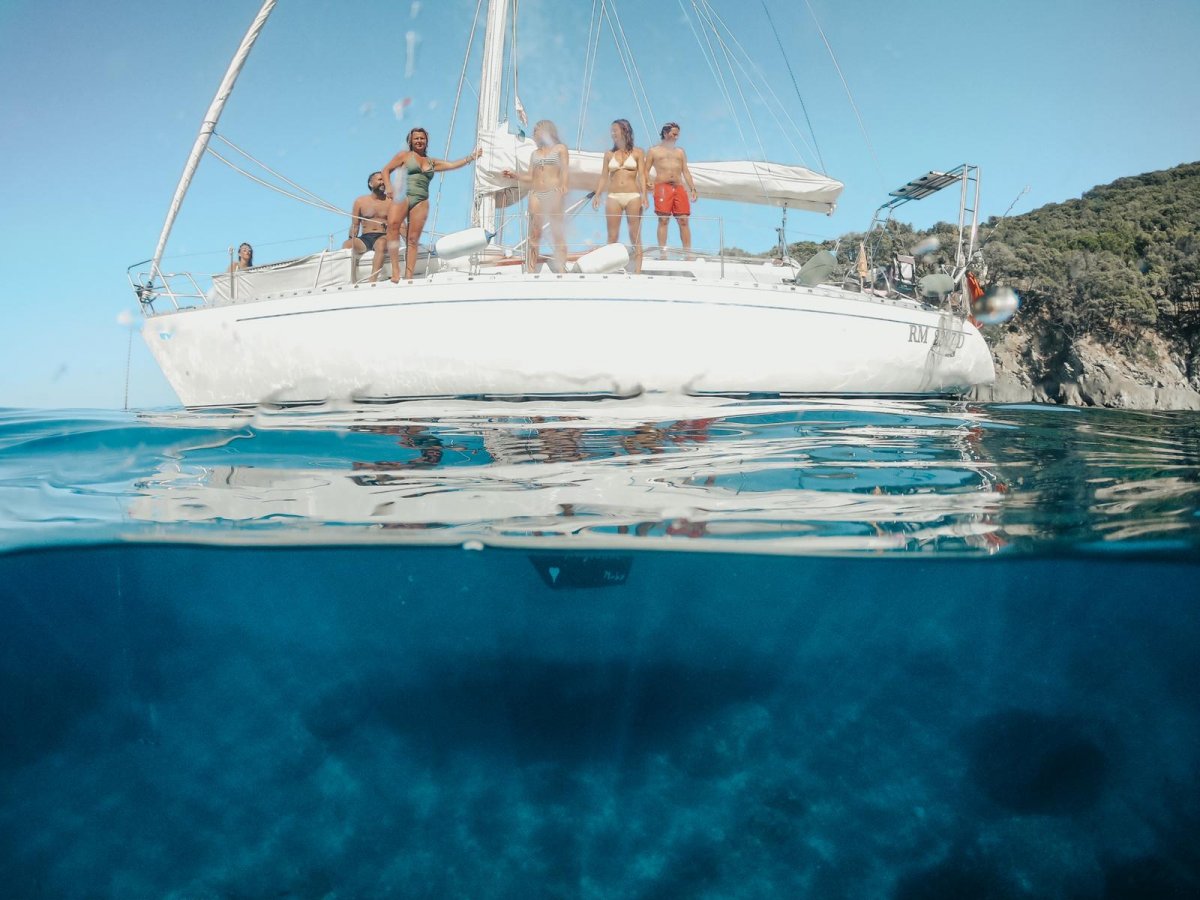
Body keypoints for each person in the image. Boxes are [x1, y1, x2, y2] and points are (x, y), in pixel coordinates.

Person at [380, 127, 482, 282]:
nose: (419, 141)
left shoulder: (431, 162)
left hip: (421, 200)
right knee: (393, 227)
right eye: (416, 138)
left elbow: (452, 165)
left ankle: (409, 275)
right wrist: (388, 187)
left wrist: (471, 157)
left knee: (413, 239)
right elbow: (386, 170)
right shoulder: (404, 156)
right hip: (403, 196)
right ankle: (395, 271)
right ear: (411, 141)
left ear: (426, 141)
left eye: (422, 138)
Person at [502, 119, 570, 272]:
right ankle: (531, 269)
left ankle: (561, 269)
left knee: (557, 233)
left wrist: (564, 186)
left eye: (536, 129)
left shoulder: (560, 149)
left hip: (554, 192)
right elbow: (530, 176)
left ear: (546, 130)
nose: (533, 132)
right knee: (534, 233)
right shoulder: (535, 153)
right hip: (536, 193)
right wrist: (514, 175)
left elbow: (565, 170)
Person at [591, 118, 646, 273]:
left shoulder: (638, 152)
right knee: (612, 236)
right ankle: (610, 269)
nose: (612, 133)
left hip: (633, 195)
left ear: (624, 131)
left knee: (635, 235)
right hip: (613, 196)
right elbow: (604, 176)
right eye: (611, 131)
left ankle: (638, 271)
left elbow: (642, 175)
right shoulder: (609, 154)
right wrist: (598, 194)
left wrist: (644, 195)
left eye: (615, 130)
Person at [645, 122, 698, 259]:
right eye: (674, 134)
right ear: (665, 133)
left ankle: (688, 253)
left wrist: (692, 188)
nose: (676, 137)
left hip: (679, 187)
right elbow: (645, 170)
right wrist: (647, 181)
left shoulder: (680, 152)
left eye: (677, 135)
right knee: (663, 219)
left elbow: (685, 171)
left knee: (684, 220)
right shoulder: (654, 151)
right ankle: (663, 253)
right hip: (662, 187)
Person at [343, 171, 390, 281]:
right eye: (380, 179)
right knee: (347, 244)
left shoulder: (390, 201)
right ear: (371, 183)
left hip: (383, 236)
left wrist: (409, 241)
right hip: (365, 238)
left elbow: (400, 224)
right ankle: (350, 280)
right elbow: (355, 225)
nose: (383, 182)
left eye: (385, 180)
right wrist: (351, 239)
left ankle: (372, 280)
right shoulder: (360, 202)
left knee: (381, 244)